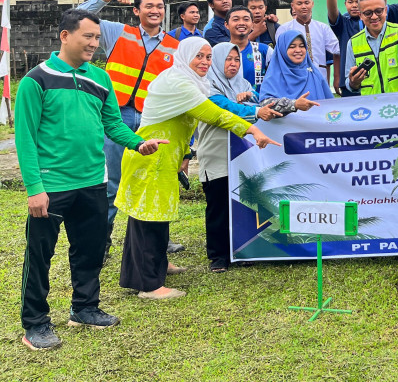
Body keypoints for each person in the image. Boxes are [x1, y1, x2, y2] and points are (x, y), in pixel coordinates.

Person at [15, 9, 169, 350]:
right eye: (88, 37)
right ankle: (35, 323)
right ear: (65, 36)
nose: (94, 44)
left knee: (89, 251)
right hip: (52, 185)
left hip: (93, 182)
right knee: (40, 256)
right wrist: (35, 188)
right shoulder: (35, 80)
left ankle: (85, 308)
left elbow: (113, 123)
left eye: (97, 38)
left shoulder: (100, 79)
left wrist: (138, 143)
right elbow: (24, 138)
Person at [115, 37, 279, 299]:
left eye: (208, 57)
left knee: (159, 213)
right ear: (185, 56)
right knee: (148, 217)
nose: (204, 62)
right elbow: (212, 113)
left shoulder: (189, 79)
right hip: (151, 155)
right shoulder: (178, 81)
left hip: (166, 154)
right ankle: (149, 285)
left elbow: (184, 124)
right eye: (198, 57)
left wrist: (185, 154)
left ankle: (159, 265)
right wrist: (252, 128)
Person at [76, 0, 179, 253]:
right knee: (111, 183)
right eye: (149, 6)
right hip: (115, 117)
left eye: (159, 6)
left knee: (151, 181)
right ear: (137, 10)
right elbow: (77, 17)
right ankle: (101, 242)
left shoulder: (174, 47)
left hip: (151, 120)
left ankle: (158, 242)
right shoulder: (117, 32)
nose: (155, 10)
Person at [199, 44, 311, 272]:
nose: (233, 64)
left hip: (242, 152)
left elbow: (263, 103)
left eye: (236, 60)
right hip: (217, 152)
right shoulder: (205, 87)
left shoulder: (244, 85)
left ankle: (241, 250)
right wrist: (256, 110)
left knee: (243, 202)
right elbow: (226, 109)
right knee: (218, 204)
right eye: (227, 60)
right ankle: (218, 256)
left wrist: (292, 105)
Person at [344, 0, 398, 99]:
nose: (374, 16)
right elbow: (349, 83)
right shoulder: (353, 43)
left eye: (378, 11)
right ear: (360, 15)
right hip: (372, 107)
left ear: (386, 10)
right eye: (368, 13)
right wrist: (353, 82)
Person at [277, 0, 341, 90]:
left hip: (320, 77)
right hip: (294, 80)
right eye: (299, 4)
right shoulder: (284, 29)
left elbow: (338, 50)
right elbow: (280, 57)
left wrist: (337, 78)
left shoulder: (323, 28)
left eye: (307, 3)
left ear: (312, 4)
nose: (304, 6)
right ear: (293, 6)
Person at [261, 31, 334, 102]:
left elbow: (330, 104)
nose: (298, 50)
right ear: (282, 50)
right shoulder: (273, 77)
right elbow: (266, 103)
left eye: (302, 46)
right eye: (292, 47)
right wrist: (294, 105)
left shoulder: (314, 74)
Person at [224, 6, 273, 95]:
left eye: (246, 19)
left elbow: (276, 79)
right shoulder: (219, 52)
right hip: (227, 106)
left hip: (259, 106)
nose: (241, 23)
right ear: (226, 25)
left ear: (252, 24)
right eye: (236, 20)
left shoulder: (265, 50)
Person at [326, 0, 363, 95]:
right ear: (345, 4)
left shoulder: (373, 22)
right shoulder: (344, 24)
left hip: (373, 81)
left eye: (358, 2)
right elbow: (333, 12)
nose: (354, 5)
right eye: (350, 2)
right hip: (349, 82)